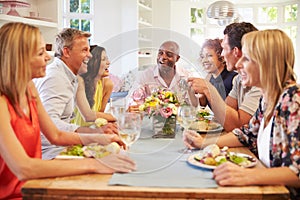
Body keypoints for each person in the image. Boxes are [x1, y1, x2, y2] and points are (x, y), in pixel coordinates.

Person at [0, 22, 136, 200]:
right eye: (40, 53)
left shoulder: (29, 89)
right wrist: (94, 164)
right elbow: (24, 168)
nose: (48, 58)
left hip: (35, 187)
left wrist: (99, 137)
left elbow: (56, 135)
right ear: (18, 58)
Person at [184, 29, 300, 198]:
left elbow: (297, 172)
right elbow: (246, 135)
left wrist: (246, 175)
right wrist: (203, 142)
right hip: (266, 191)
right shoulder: (268, 98)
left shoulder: (292, 100)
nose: (238, 65)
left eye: (246, 59)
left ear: (265, 62)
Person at [33, 28, 118, 160]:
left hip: (60, 147)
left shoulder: (71, 76)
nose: (90, 55)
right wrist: (92, 133)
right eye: (84, 50)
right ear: (66, 52)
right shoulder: (56, 78)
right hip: (50, 153)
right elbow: (49, 124)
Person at [188, 22, 261, 131]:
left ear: (235, 51)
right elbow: (224, 116)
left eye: (224, 49)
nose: (222, 55)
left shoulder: (260, 83)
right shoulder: (238, 79)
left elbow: (238, 125)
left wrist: (209, 90)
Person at [128, 40, 198, 112]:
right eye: (160, 53)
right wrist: (133, 105)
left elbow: (194, 106)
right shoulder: (145, 75)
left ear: (177, 58)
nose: (163, 57)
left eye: (169, 55)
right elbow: (130, 98)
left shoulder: (186, 77)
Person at [73, 45, 115, 126]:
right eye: (103, 59)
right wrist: (119, 116)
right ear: (93, 63)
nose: (108, 62)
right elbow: (88, 116)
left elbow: (100, 118)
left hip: (93, 131)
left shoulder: (106, 84)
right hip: (75, 133)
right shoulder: (80, 82)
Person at [198, 38, 237, 106]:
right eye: (202, 56)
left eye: (209, 56)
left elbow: (227, 112)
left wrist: (206, 90)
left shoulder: (234, 79)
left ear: (221, 56)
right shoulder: (209, 78)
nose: (204, 60)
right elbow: (203, 104)